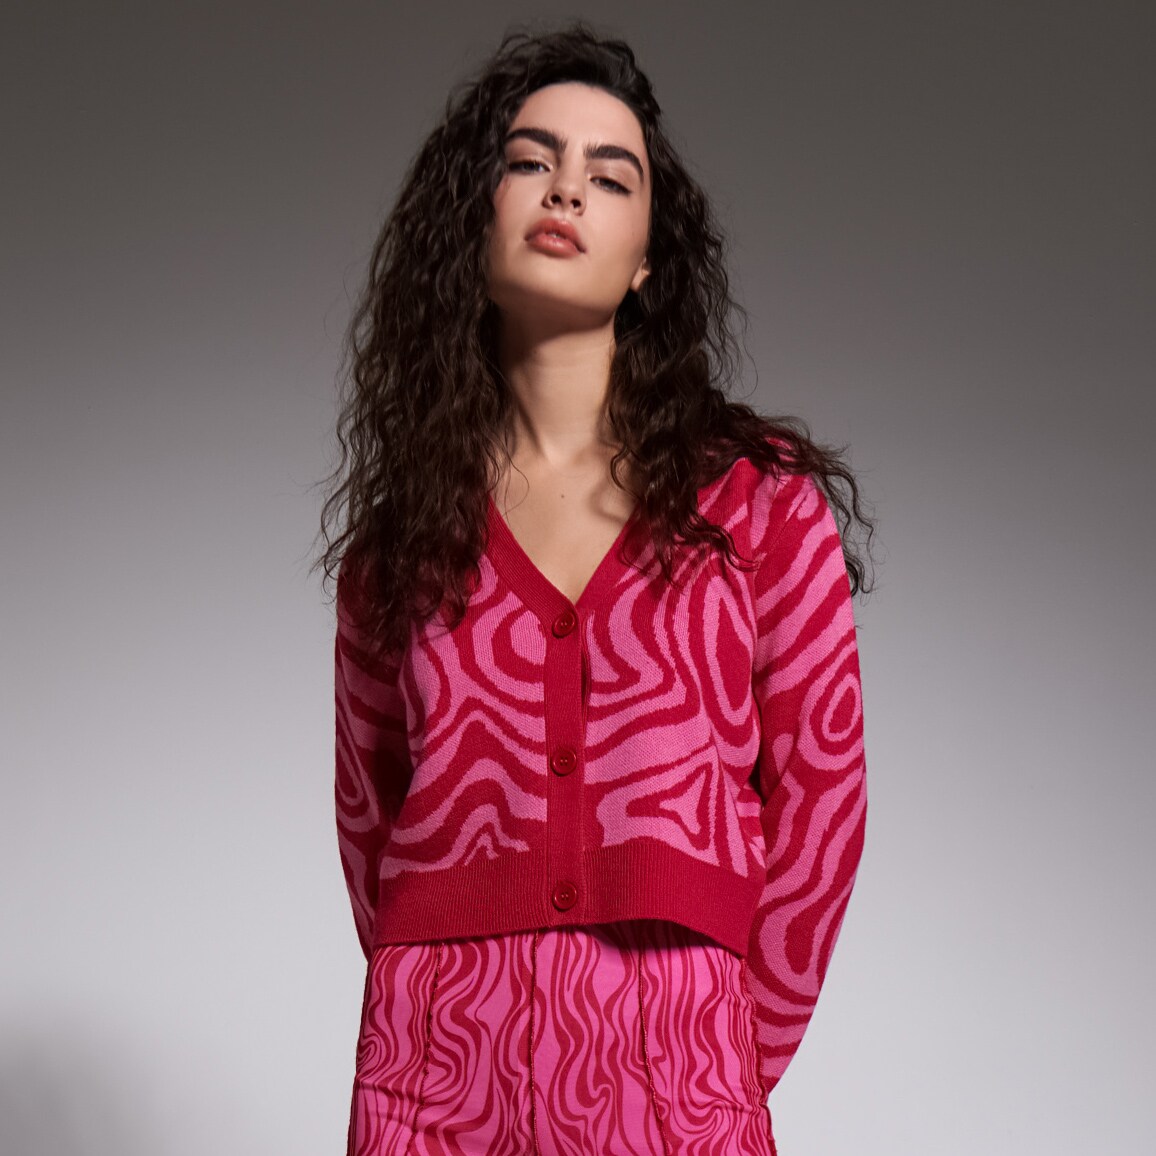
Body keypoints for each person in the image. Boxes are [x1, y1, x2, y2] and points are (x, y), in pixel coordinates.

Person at [316, 22, 874, 1156]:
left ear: (648, 256)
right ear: (473, 220)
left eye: (610, 176)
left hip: (675, 1058)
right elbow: (369, 818)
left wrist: (725, 1051)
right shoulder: (401, 541)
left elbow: (824, 801)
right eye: (529, 161)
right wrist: (428, 1009)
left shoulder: (757, 504)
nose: (565, 188)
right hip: (435, 1075)